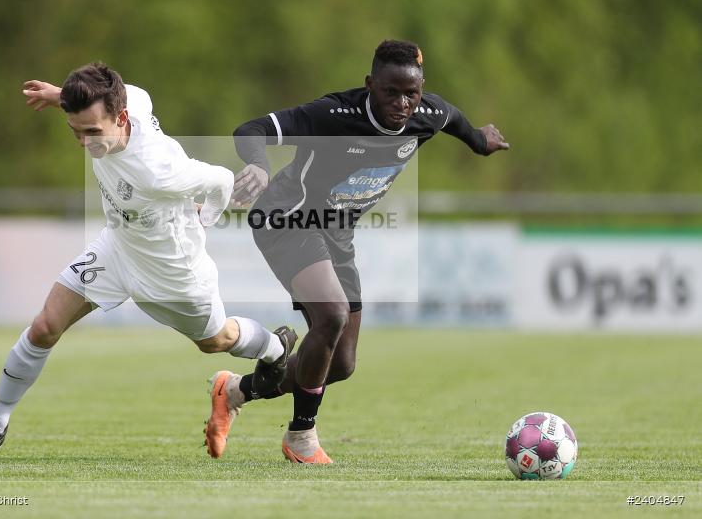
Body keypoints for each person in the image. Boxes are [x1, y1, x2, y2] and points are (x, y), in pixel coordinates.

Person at [0, 62, 296, 462]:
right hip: (117, 249)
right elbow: (101, 98)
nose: (83, 143)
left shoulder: (159, 173)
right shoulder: (130, 98)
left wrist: (205, 218)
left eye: (92, 132)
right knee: (45, 327)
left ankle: (275, 347)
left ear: (122, 118)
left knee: (215, 340)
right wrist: (60, 95)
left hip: (172, 269)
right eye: (75, 131)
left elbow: (220, 180)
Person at [204, 40, 509, 463]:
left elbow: (453, 118)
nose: (402, 103)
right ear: (370, 85)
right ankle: (300, 437)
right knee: (331, 315)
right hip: (288, 217)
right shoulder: (333, 114)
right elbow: (250, 130)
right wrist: (258, 164)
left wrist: (478, 140)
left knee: (341, 362)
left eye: (411, 94)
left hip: (337, 233)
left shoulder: (427, 114)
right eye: (390, 92)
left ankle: (236, 390)